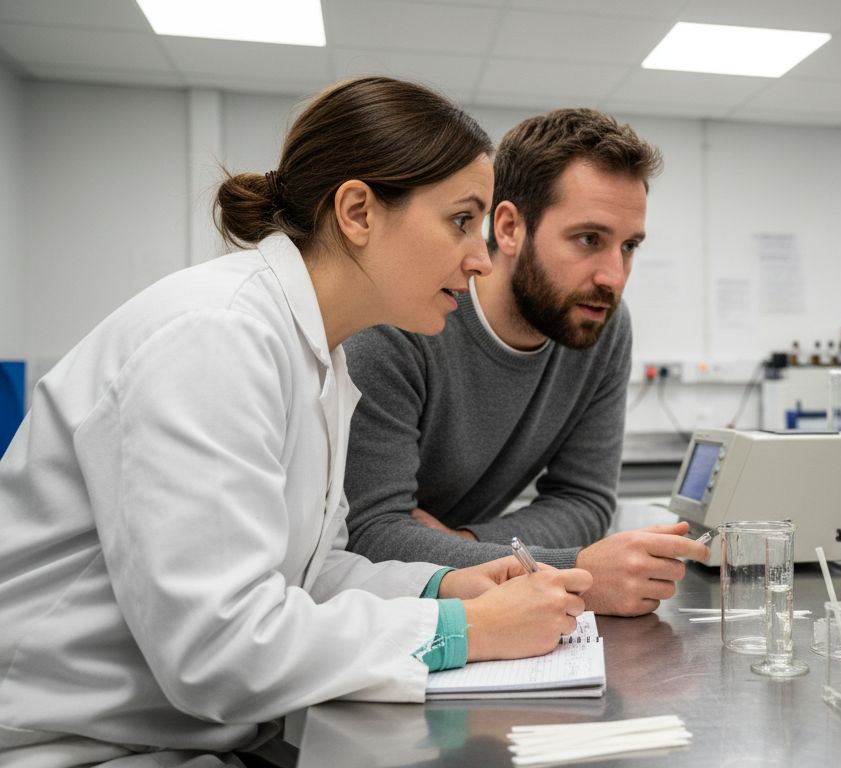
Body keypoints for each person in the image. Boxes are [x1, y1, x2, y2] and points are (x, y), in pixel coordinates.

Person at [0, 77, 591, 766]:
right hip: (67, 746)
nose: (481, 258)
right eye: (461, 220)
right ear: (359, 211)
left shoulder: (315, 355)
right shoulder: (215, 338)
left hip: (179, 736)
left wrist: (438, 584)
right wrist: (462, 628)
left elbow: (303, 575)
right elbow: (219, 650)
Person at [343, 109, 709, 617]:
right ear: (510, 227)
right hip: (372, 604)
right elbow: (371, 535)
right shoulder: (402, 323)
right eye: (589, 240)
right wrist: (575, 568)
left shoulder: (604, 325)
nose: (614, 276)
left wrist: (469, 542)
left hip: (466, 590)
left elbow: (585, 500)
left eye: (628, 247)